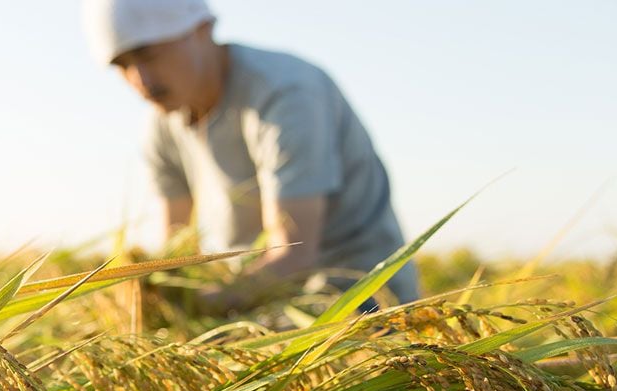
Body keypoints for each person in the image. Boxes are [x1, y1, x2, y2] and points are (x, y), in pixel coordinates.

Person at [83, 0, 420, 314]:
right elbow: (179, 254)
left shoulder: (286, 94)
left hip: (364, 300)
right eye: (122, 65)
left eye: (148, 54)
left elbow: (295, 253)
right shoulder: (163, 127)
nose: (140, 79)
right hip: (260, 303)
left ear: (201, 30)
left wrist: (202, 308)